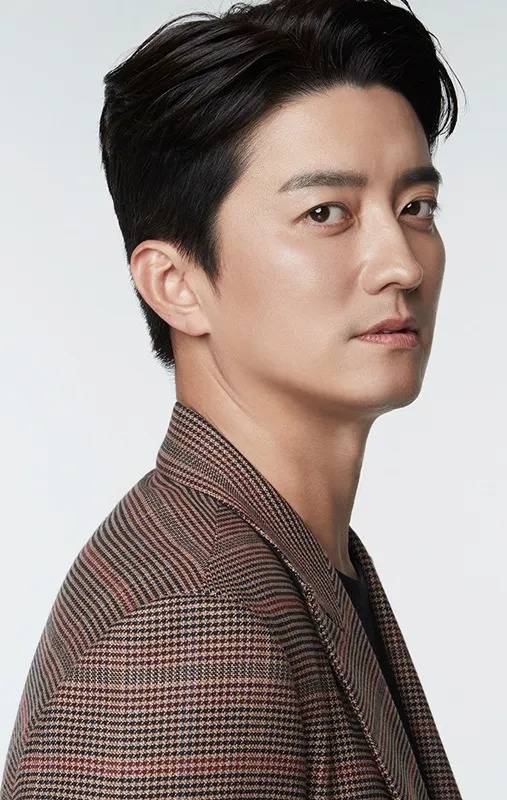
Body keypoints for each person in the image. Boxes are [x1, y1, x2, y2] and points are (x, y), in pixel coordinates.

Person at [1, 1, 466, 798]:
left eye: (414, 207)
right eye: (326, 213)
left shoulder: (294, 560)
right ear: (174, 285)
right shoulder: (195, 621)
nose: (402, 263)